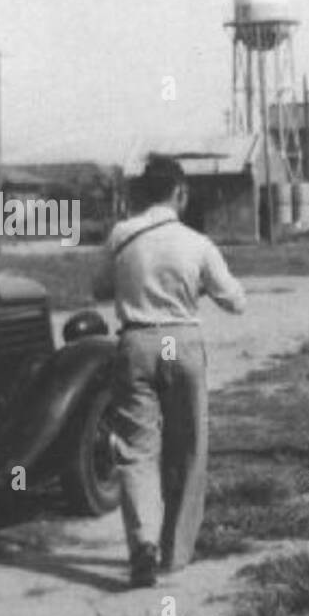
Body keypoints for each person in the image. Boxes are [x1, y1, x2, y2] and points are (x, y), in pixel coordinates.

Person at [92, 156, 246, 588]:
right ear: (180, 192)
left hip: (136, 341)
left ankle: (142, 543)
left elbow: (98, 288)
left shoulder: (122, 236)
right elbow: (235, 301)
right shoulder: (197, 243)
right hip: (181, 341)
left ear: (143, 193)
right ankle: (174, 553)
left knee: (137, 451)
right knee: (188, 447)